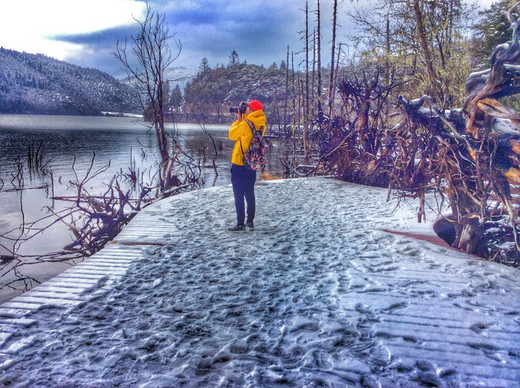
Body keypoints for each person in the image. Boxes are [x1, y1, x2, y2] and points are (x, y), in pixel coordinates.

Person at [228, 99, 267, 231]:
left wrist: (238, 120)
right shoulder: (262, 125)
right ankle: (250, 221)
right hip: (252, 163)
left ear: (251, 110)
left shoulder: (245, 124)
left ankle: (240, 223)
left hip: (239, 163)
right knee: (249, 193)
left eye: (248, 109)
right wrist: (244, 117)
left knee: (238, 195)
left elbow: (232, 134)